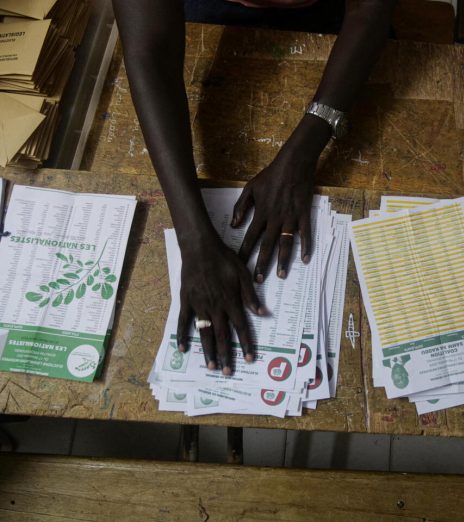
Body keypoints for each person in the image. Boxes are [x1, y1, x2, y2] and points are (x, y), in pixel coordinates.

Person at [112, 0, 396, 376]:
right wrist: (194, 240)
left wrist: (301, 153)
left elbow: (371, 8)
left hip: (335, 19)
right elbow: (151, 51)